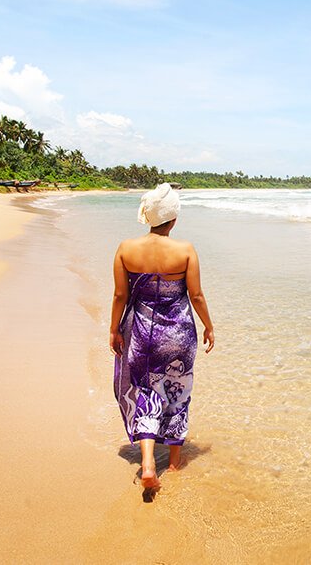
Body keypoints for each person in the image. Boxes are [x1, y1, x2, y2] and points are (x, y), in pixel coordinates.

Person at [110, 184, 215, 498]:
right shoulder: (185, 250)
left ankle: (147, 465)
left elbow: (119, 295)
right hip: (179, 333)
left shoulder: (126, 249)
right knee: (177, 391)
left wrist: (114, 330)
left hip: (143, 333)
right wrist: (209, 326)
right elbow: (195, 295)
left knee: (147, 391)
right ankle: (172, 462)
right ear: (173, 219)